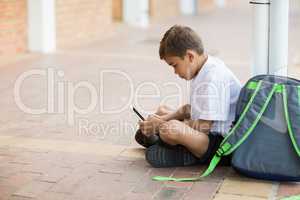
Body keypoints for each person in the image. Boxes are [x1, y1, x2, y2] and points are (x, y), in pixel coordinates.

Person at [135, 25, 241, 168]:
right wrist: (162, 118)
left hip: (221, 145)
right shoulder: (202, 68)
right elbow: (191, 109)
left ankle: (188, 153)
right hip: (206, 134)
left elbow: (204, 127)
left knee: (170, 129)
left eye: (175, 65)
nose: (175, 72)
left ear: (190, 56)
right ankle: (171, 143)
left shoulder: (213, 78)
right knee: (163, 111)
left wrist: (161, 125)